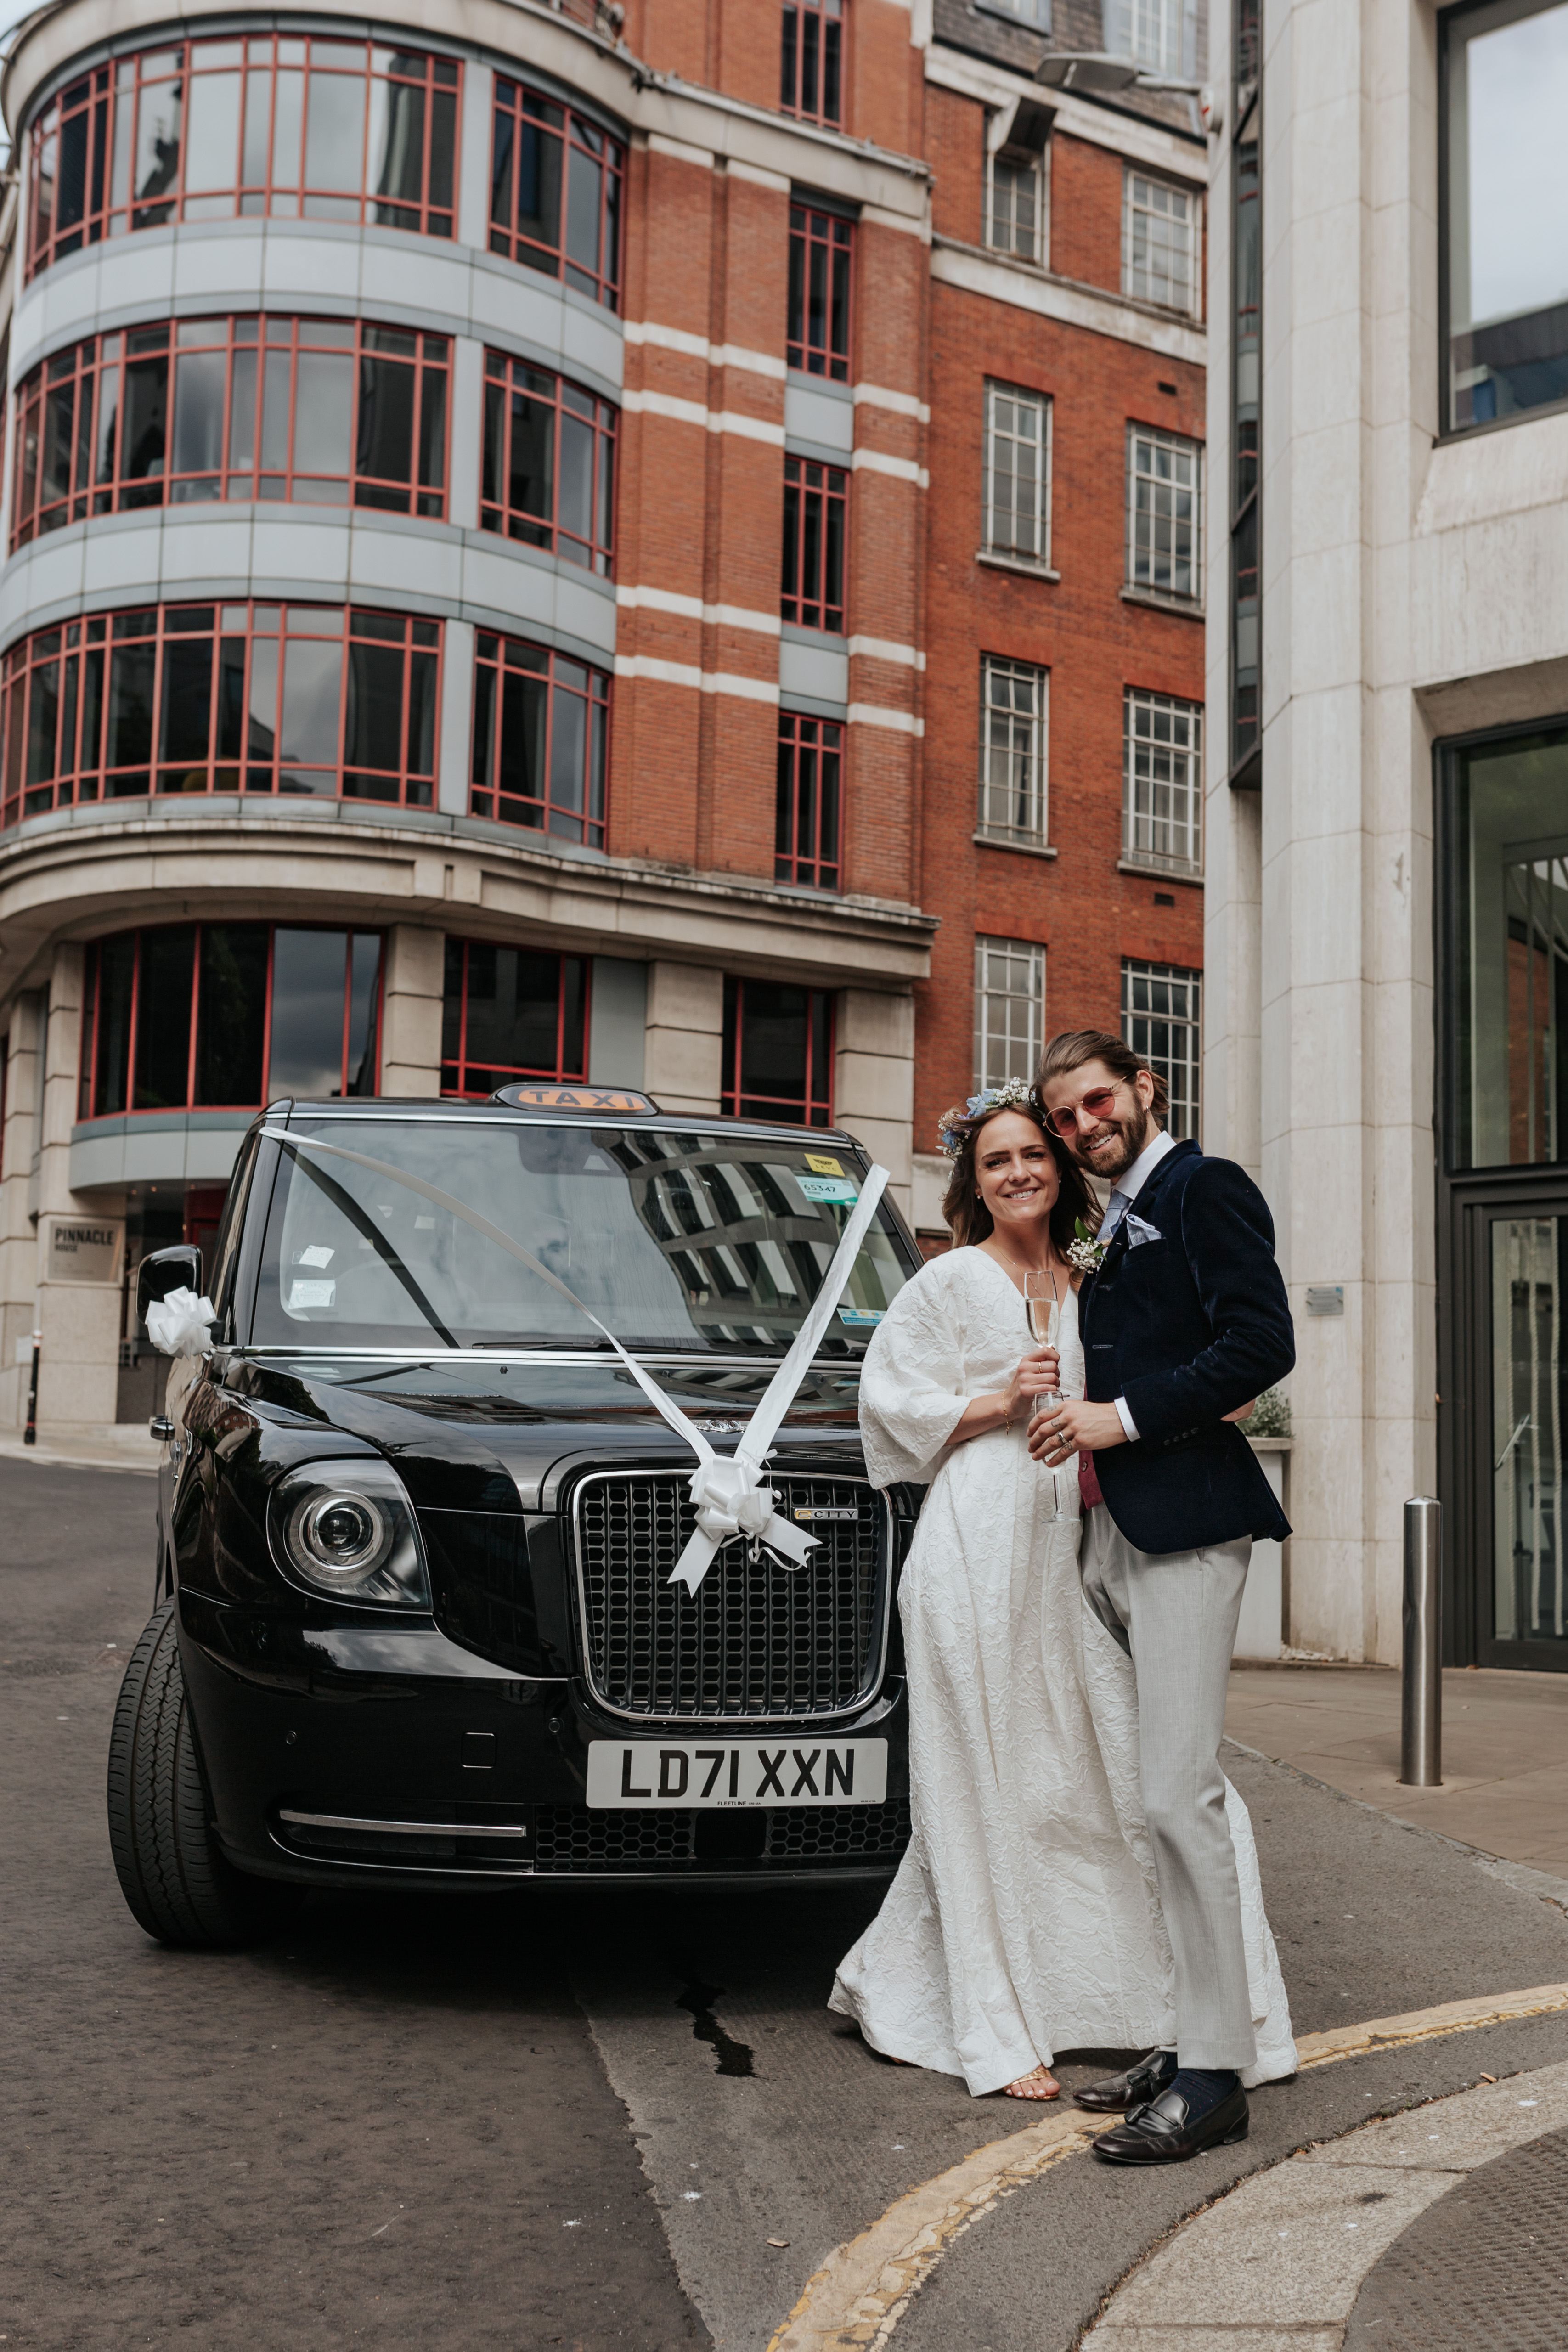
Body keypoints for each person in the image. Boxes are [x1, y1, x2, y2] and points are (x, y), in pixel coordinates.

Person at [829, 1079, 1296, 2107]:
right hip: (975, 1544)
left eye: (1033, 1153)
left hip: (1078, 1550)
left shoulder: (1099, 1272)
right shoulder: (950, 1282)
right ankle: (996, 2027)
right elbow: (886, 1410)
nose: (1020, 1172)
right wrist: (1002, 1399)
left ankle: (1162, 2011)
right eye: (996, 1161)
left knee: (1092, 1776)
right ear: (974, 1179)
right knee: (979, 1771)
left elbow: (1207, 1364)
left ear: (1062, 1162)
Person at [1029, 1030, 1296, 2164]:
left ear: (1146, 1085)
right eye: (1067, 1117)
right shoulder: (1108, 1219)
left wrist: (1119, 1418)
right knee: (1158, 1798)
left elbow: (1261, 1344)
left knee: (1179, 1796)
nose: (1086, 1125)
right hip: (1118, 1530)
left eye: (1099, 1101)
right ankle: (1194, 2033)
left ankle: (1216, 2075)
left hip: (1188, 1523)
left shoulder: (1204, 1185)